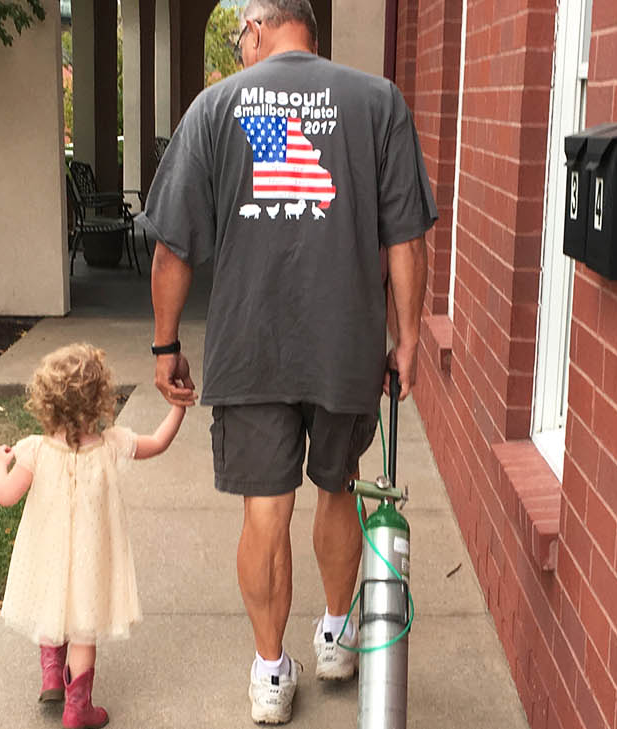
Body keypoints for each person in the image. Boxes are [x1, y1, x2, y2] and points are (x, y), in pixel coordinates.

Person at [139, 0, 435, 723]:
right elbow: (406, 239)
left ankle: (271, 674)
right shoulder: (378, 102)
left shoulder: (214, 108)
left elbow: (172, 245)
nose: (241, 46)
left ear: (261, 25)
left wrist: (166, 342)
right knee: (338, 485)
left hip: (251, 345)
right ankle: (337, 635)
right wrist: (407, 336)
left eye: (241, 34)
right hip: (346, 341)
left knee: (264, 511)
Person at [0, 343, 186, 729]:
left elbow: (5, 495)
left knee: (52, 603)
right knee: (82, 630)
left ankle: (51, 676)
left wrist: (0, 463)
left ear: (46, 401)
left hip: (47, 557)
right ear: (100, 400)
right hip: (92, 562)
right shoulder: (111, 445)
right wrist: (179, 406)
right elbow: (158, 442)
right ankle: (78, 708)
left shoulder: (34, 450)